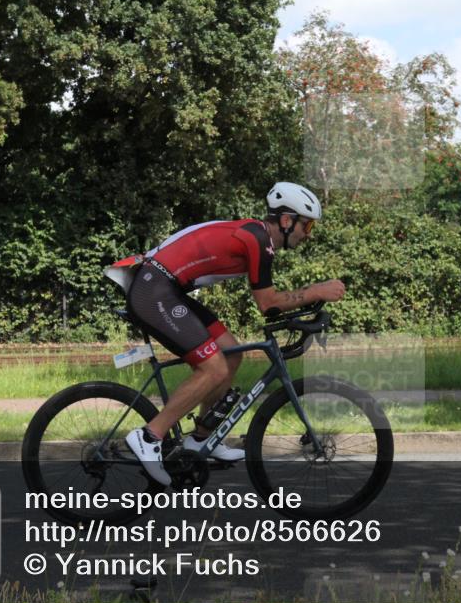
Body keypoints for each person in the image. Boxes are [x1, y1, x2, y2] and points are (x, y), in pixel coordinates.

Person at [105, 182, 346, 487]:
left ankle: (200, 439)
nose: (308, 233)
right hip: (154, 290)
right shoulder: (258, 238)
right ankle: (149, 435)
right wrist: (315, 291)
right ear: (286, 220)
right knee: (213, 366)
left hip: (168, 289)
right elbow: (267, 303)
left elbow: (270, 305)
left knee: (231, 354)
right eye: (307, 225)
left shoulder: (260, 239)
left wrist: (310, 302)